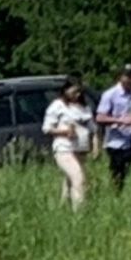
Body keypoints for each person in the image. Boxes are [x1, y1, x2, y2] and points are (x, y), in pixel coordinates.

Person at [95, 63, 131, 188]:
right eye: (128, 76)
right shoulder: (110, 94)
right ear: (120, 77)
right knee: (119, 175)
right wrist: (121, 121)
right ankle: (117, 197)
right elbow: (100, 117)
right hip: (117, 142)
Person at [42, 76, 94, 208]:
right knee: (78, 177)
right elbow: (47, 128)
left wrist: (95, 144)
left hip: (81, 148)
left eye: (79, 92)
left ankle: (62, 207)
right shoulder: (57, 106)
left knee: (70, 181)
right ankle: (80, 212)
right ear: (66, 90)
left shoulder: (84, 107)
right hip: (63, 148)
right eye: (74, 91)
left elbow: (93, 128)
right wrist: (65, 132)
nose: (77, 95)